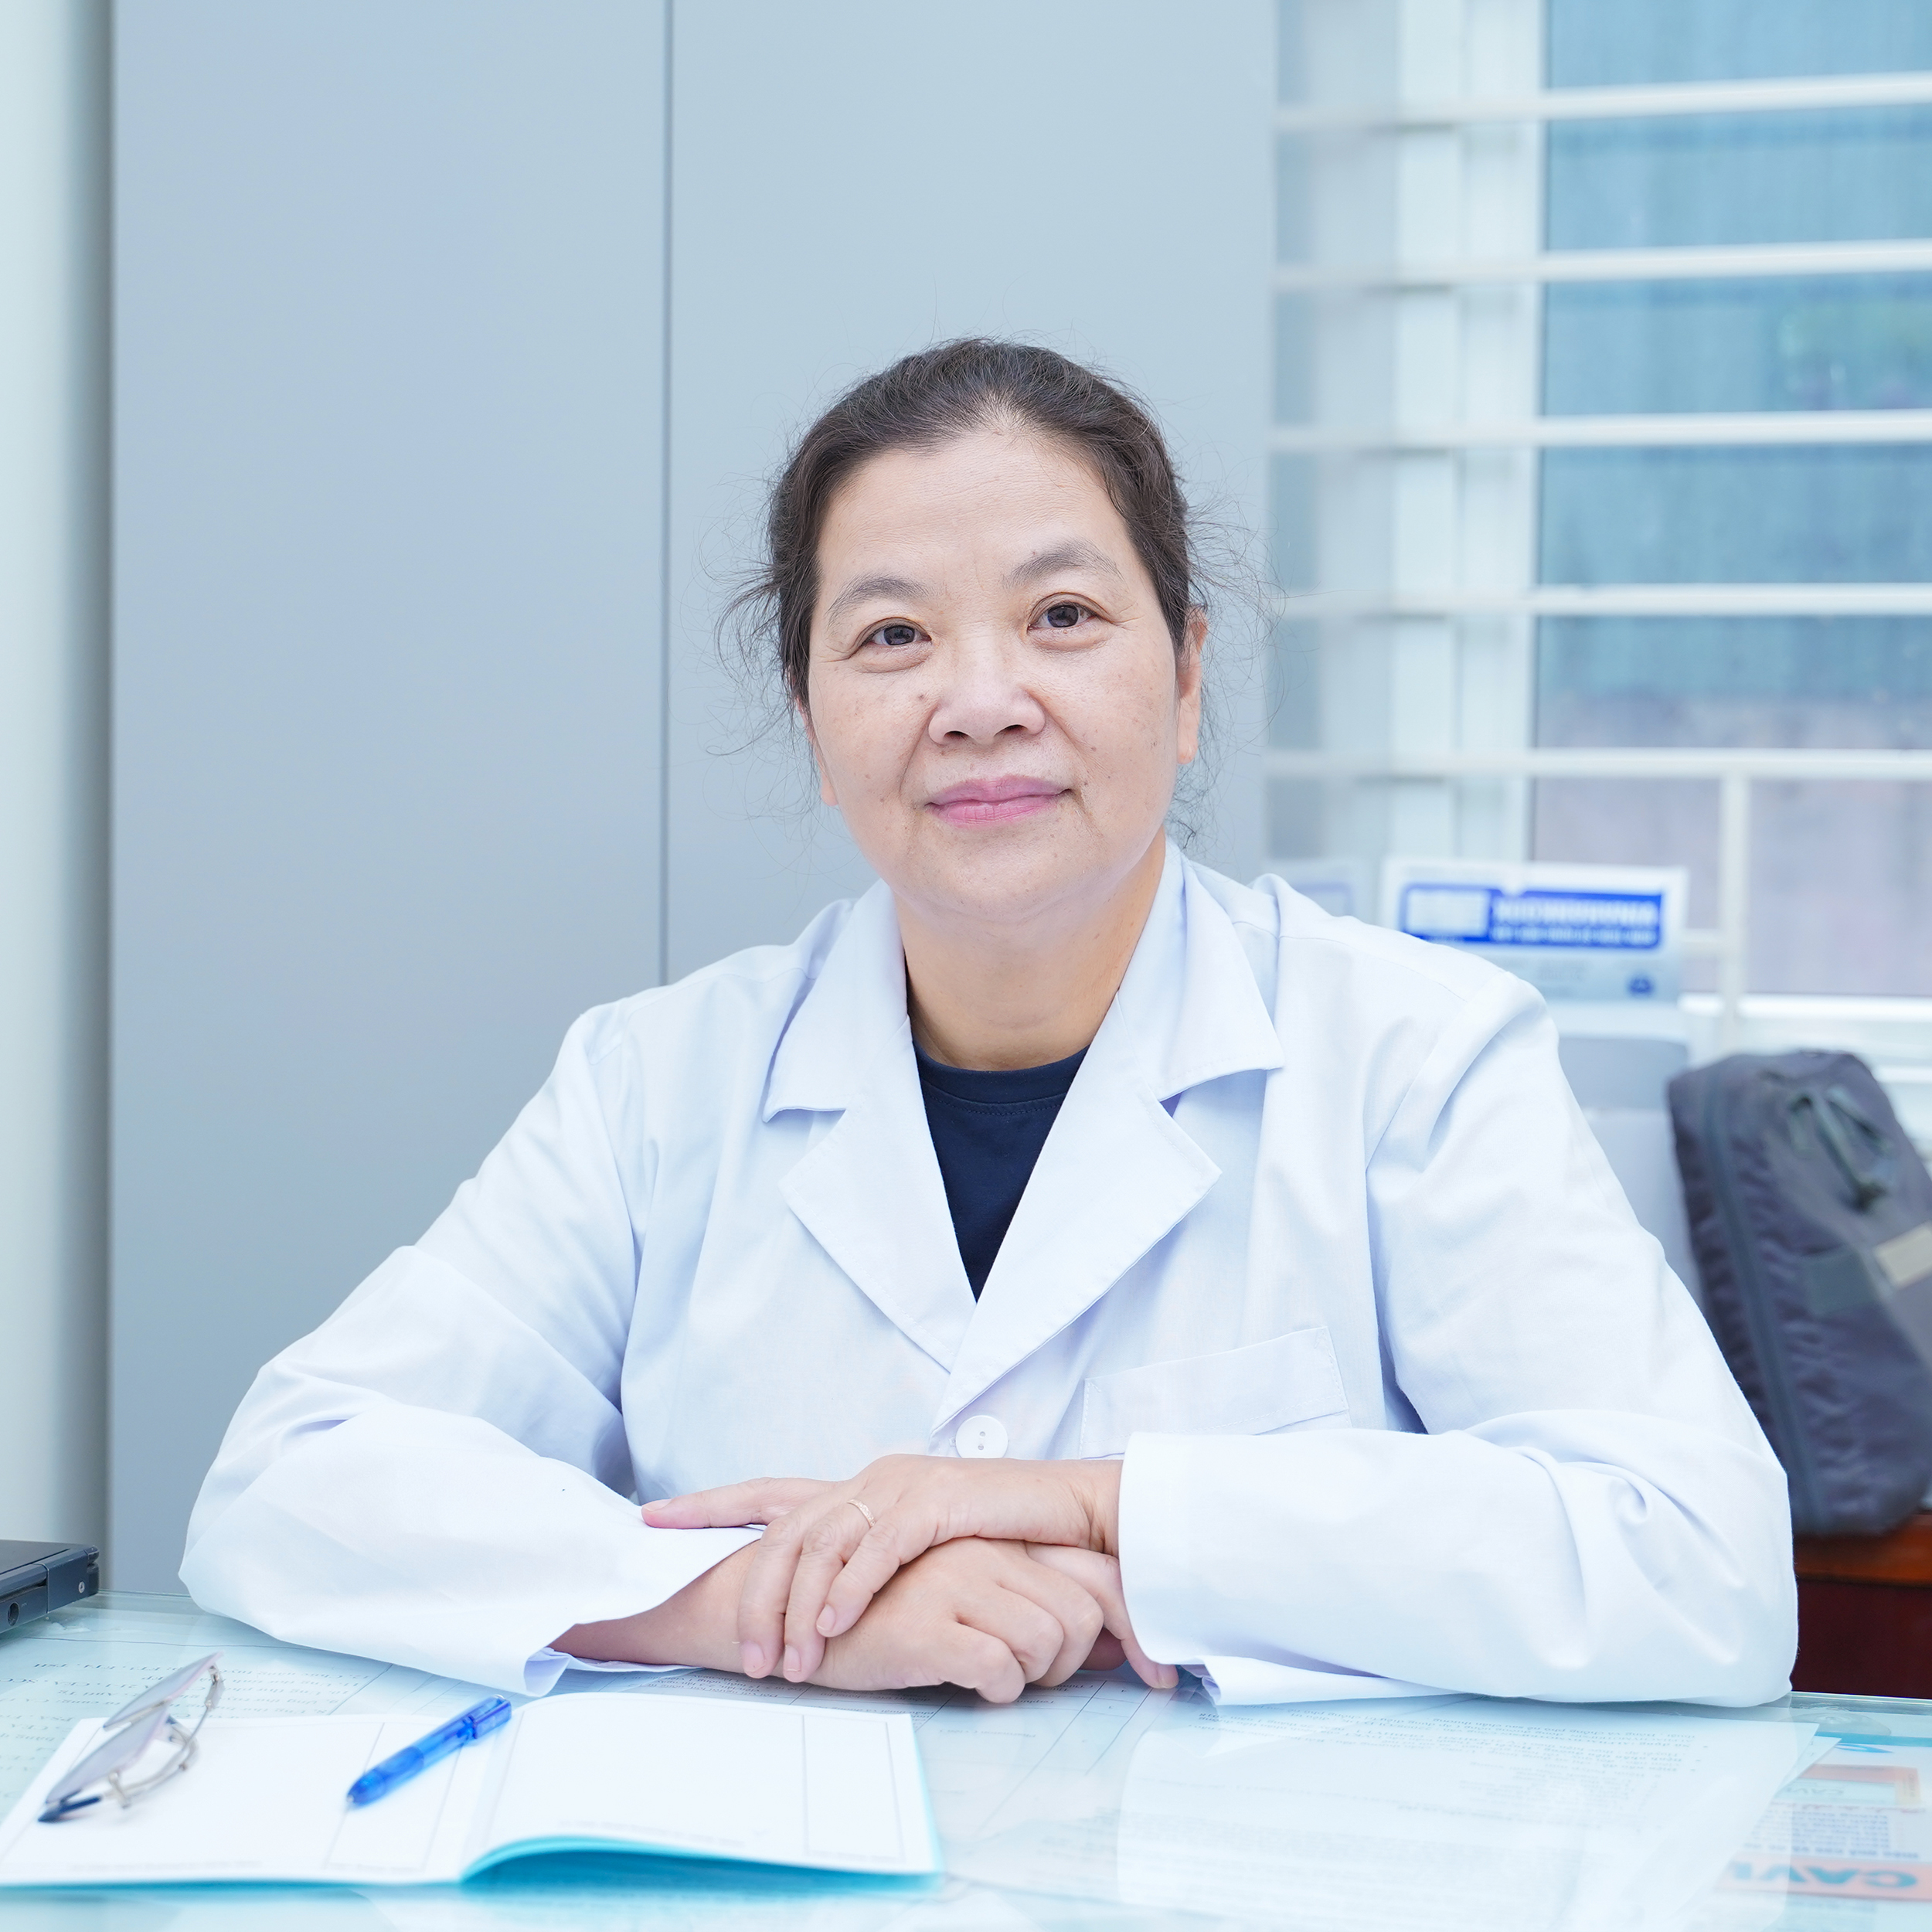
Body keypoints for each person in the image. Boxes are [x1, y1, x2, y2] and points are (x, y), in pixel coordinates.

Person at [182, 339, 1796, 1708]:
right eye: (891, 636)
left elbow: (1702, 1565)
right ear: (812, 723)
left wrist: (1088, 1509)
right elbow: (289, 1475)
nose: (978, 701)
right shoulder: (659, 1082)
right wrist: (758, 1604)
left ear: (1186, 681)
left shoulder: (1411, 1056)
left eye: (1062, 616)